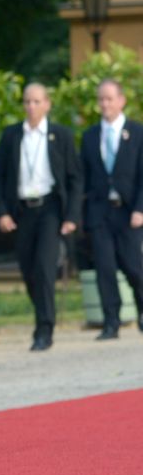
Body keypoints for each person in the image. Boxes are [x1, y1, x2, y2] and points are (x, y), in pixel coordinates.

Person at [0, 82, 80, 350]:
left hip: (51, 208)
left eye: (36, 101)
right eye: (27, 102)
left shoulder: (60, 135)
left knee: (44, 268)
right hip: (22, 211)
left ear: (47, 104)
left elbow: (75, 179)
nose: (31, 107)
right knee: (28, 270)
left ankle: (44, 328)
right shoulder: (11, 136)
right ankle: (44, 316)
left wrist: (71, 216)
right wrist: (2, 212)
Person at [80, 78, 143, 340]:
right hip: (100, 212)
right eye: (101, 99)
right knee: (104, 268)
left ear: (121, 100)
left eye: (109, 98)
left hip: (129, 212)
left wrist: (140, 208)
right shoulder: (90, 135)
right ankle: (111, 321)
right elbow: (84, 175)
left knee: (133, 266)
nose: (105, 104)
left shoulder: (137, 132)